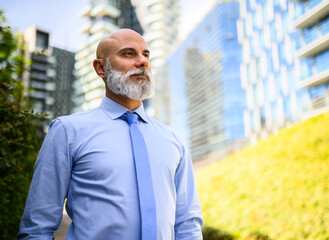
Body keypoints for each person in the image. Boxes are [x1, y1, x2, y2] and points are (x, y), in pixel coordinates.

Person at [17, 29, 203, 239]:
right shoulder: (68, 132)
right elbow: (37, 228)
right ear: (101, 68)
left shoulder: (173, 140)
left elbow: (187, 224)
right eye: (129, 53)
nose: (142, 61)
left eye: (146, 54)